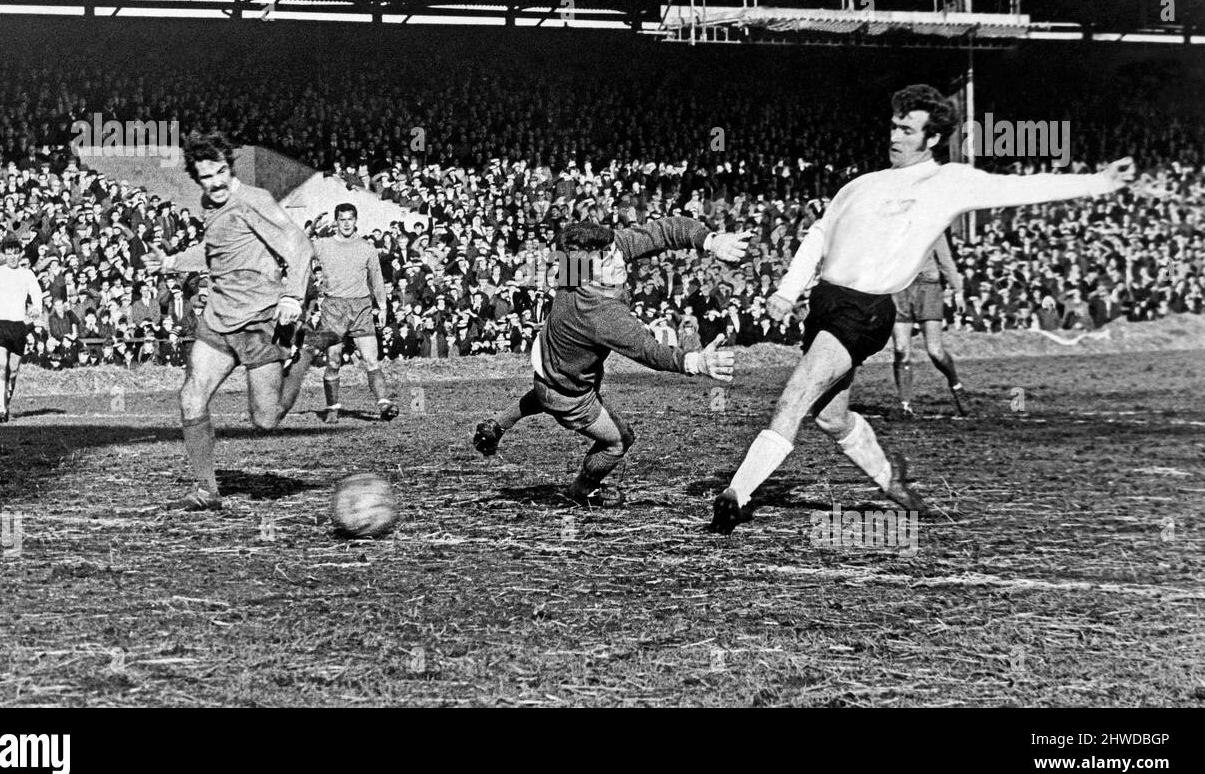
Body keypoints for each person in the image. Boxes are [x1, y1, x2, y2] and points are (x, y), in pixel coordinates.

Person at [708, 84, 1136, 533]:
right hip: (826, 305)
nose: (895, 136)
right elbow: (819, 234)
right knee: (832, 416)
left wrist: (1100, 182)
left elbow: (1021, 188)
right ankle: (894, 484)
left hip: (867, 310)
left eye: (907, 130)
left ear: (931, 139)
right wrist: (787, 290)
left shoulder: (947, 182)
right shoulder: (862, 184)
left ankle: (735, 495)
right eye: (894, 126)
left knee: (793, 398)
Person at [473, 218, 750, 506]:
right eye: (606, 258)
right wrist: (695, 362)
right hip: (570, 396)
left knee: (544, 393)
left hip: (547, 366)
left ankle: (498, 424)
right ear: (587, 272)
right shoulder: (600, 313)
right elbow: (649, 351)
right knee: (620, 439)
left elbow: (661, 231)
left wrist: (710, 240)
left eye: (612, 250)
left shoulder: (574, 267)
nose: (618, 258)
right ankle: (583, 489)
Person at [142, 132, 336, 511]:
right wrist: (172, 263)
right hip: (219, 317)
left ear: (230, 166)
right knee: (191, 395)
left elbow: (298, 244)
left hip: (260, 319)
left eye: (220, 172)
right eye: (205, 177)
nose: (215, 182)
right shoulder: (209, 203)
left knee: (265, 420)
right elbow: (217, 248)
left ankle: (308, 349)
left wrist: (293, 297)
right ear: (196, 178)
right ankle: (206, 491)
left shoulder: (254, 199)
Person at [310, 203, 397, 423]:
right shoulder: (323, 245)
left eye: (350, 219)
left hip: (361, 307)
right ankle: (332, 407)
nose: (346, 223)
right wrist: (312, 229)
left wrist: (383, 306)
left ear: (356, 220)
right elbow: (298, 247)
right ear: (336, 222)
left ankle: (384, 403)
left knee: (371, 359)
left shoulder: (367, 248)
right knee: (334, 360)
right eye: (342, 219)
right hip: (333, 308)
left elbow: (377, 279)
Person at [891, 232, 968, 418]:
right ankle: (905, 405)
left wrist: (958, 292)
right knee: (901, 350)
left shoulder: (934, 227)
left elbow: (946, 262)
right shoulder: (893, 226)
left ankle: (955, 384)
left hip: (929, 288)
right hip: (900, 288)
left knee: (935, 350)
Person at [0, 235, 44, 422]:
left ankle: (6, 404)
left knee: (13, 371)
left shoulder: (27, 274)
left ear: (21, 254)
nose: (12, 258)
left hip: (19, 325)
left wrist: (36, 308)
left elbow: (37, 294)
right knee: (0, 366)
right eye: (8, 254)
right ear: (4, 254)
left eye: (15, 254)